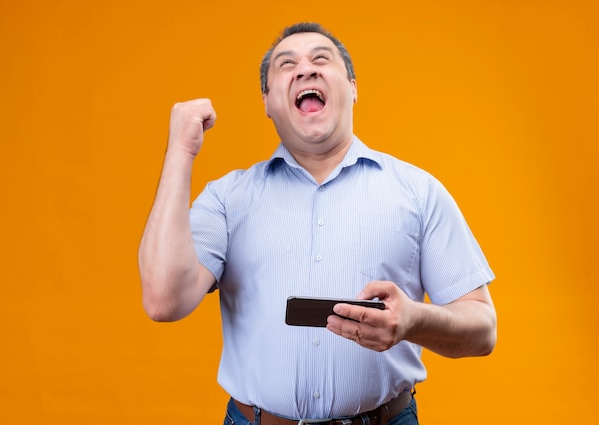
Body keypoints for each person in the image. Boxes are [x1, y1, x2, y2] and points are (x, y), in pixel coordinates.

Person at [138, 22, 497, 425]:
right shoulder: (226, 199)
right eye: (286, 65)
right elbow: (163, 300)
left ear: (353, 87)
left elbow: (483, 329)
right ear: (268, 102)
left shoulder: (418, 192)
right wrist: (180, 151)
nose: (305, 70)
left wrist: (414, 320)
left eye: (321, 59)